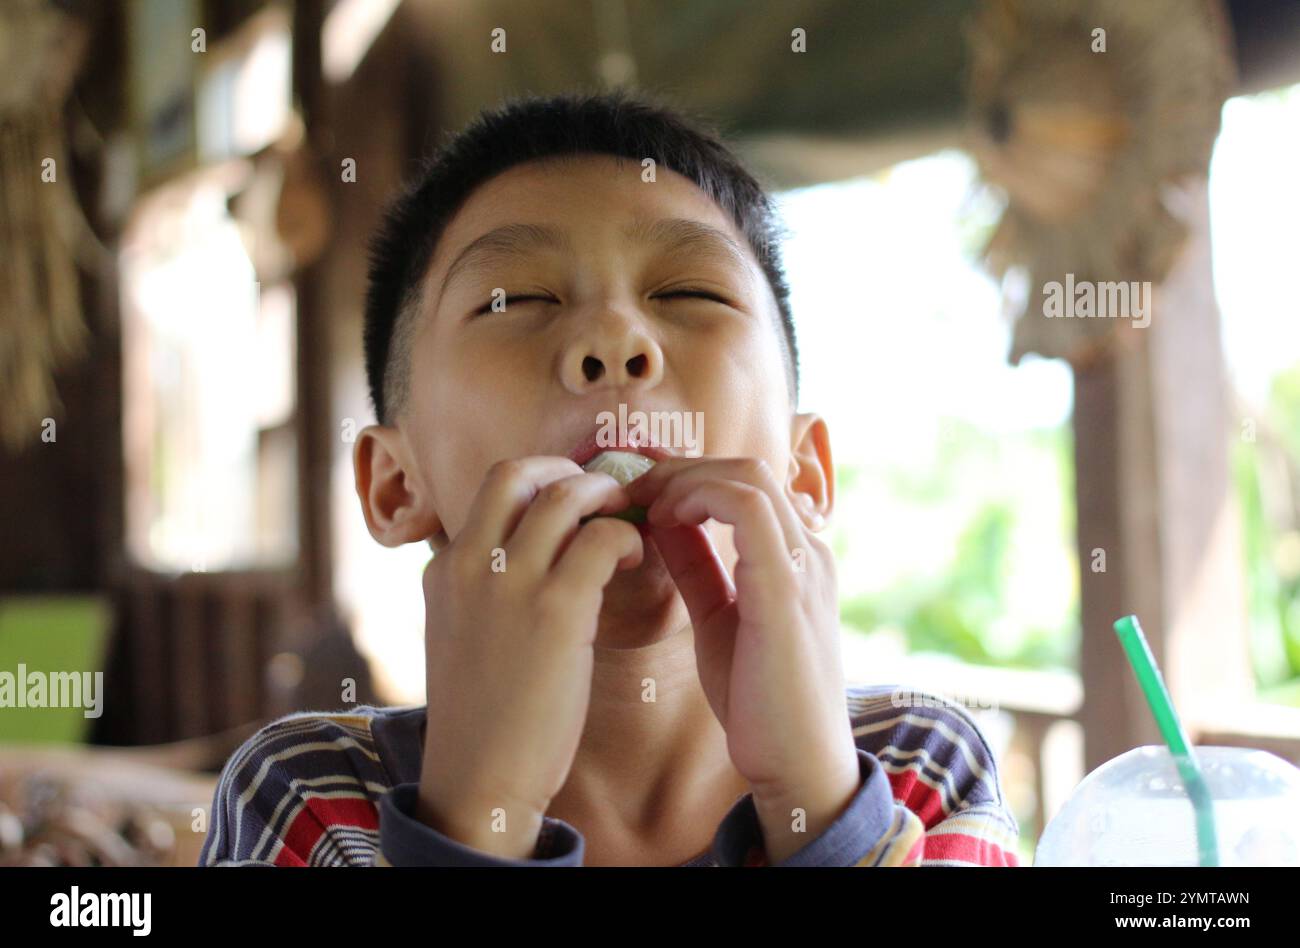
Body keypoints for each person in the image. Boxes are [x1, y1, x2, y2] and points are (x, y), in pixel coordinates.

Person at [199, 88, 1020, 867]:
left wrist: (820, 811)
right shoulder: (309, 795)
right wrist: (480, 813)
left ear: (803, 472)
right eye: (513, 300)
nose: (617, 340)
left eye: (691, 291)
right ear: (394, 484)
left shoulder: (920, 772)